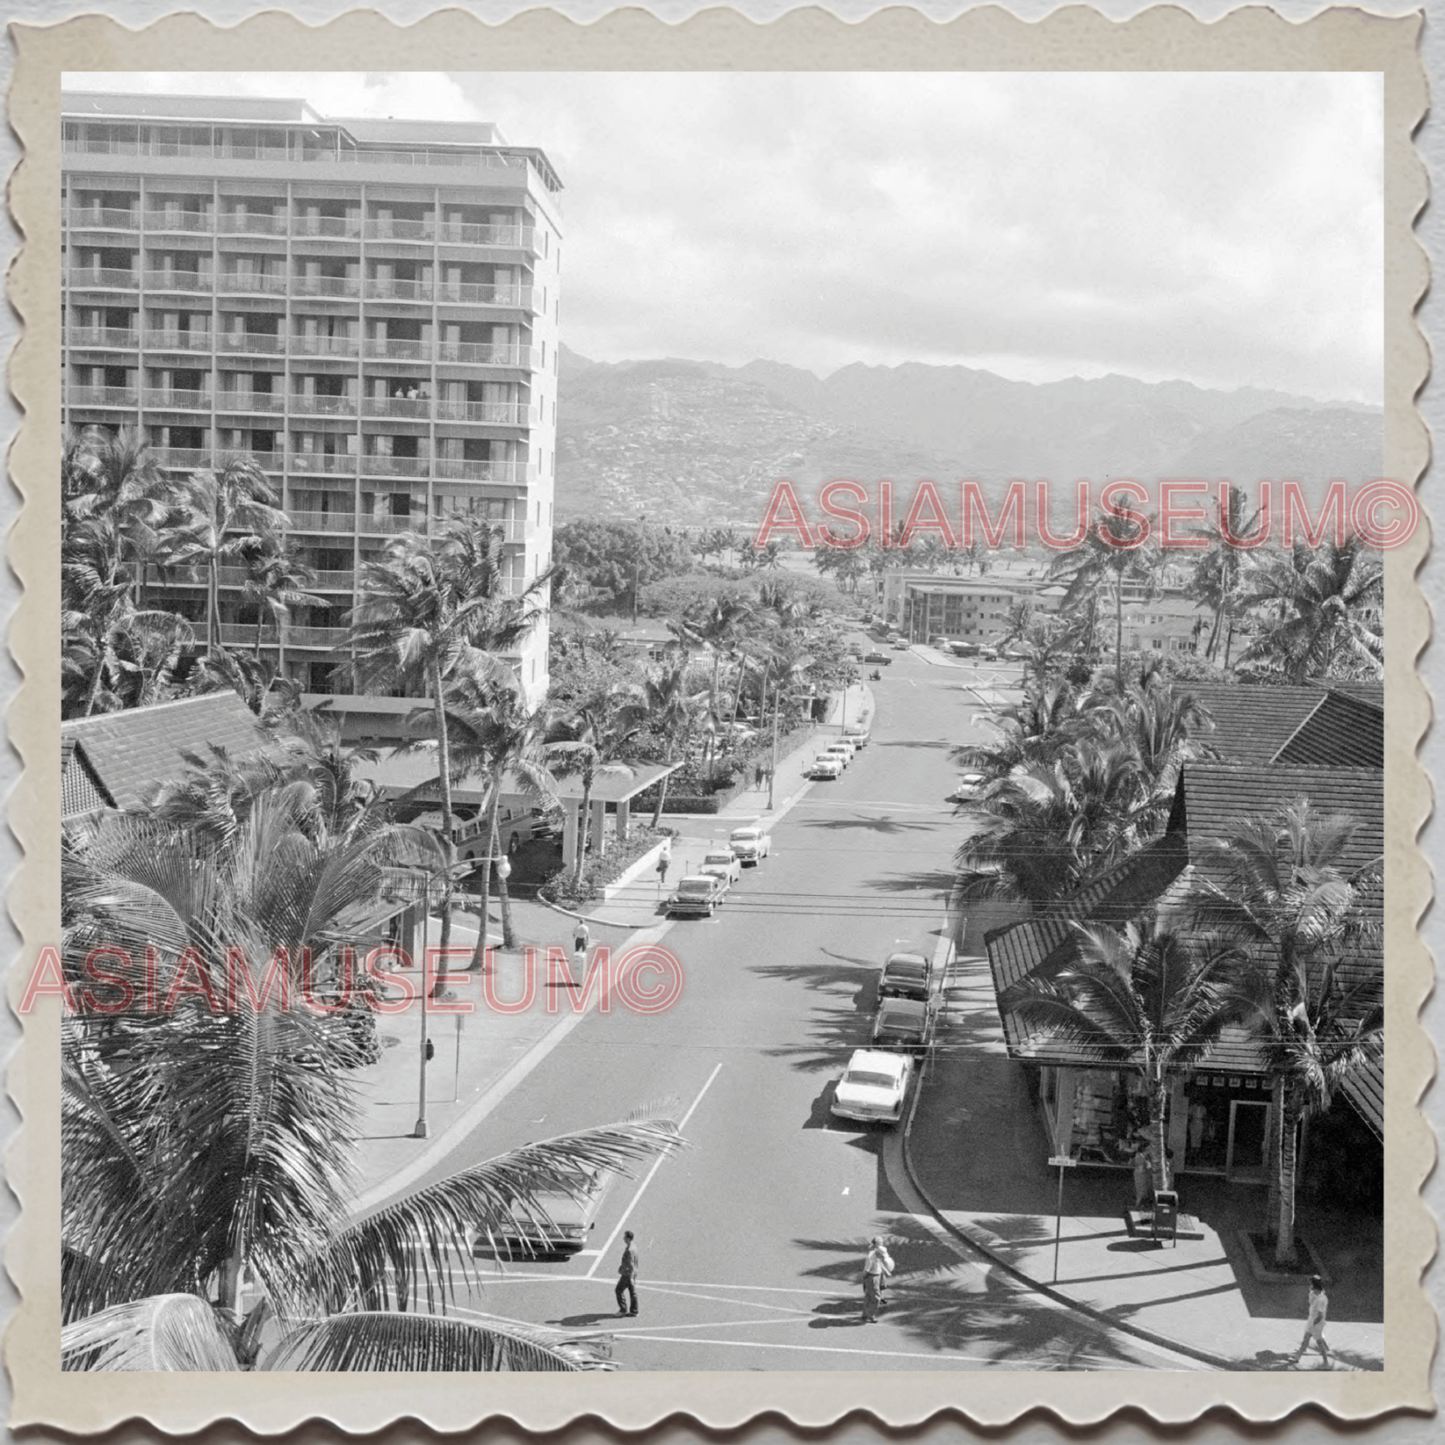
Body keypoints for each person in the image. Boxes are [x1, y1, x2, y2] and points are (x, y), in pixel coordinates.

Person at [1291, 1275, 1332, 1369]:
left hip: (1317, 1323)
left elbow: (1320, 1316)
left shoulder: (1321, 1299)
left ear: (1314, 1286)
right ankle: (1298, 1357)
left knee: (1319, 1342)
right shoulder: (1316, 1295)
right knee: (1306, 1338)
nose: (1310, 1287)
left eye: (1312, 1285)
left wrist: (1313, 1325)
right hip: (1312, 1321)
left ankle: (1326, 1363)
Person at [861, 1235, 894, 1322]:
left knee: (868, 1297)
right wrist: (865, 1279)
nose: (883, 1257)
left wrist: (886, 1271)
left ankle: (865, 1314)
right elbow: (866, 1270)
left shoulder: (877, 1255)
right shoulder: (870, 1257)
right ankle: (870, 1316)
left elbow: (880, 1263)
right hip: (872, 1278)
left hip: (877, 1276)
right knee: (876, 1298)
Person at [615, 1230, 639, 1316]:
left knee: (618, 1290)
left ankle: (623, 1310)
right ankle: (634, 1311)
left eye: (624, 1237)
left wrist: (631, 1277)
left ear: (628, 1238)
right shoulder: (633, 1246)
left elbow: (630, 1264)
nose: (623, 1238)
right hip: (633, 1272)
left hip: (627, 1274)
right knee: (632, 1292)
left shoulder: (629, 1250)